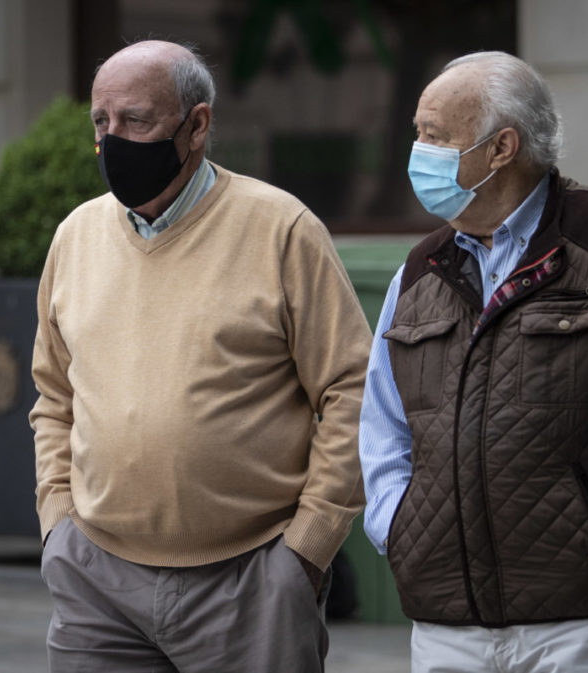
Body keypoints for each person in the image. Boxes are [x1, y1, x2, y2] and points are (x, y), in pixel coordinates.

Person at [359, 51, 588, 672]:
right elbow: (382, 421)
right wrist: (397, 526)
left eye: (435, 137)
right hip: (446, 615)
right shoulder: (421, 268)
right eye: (418, 133)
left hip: (584, 616)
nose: (418, 150)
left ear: (501, 148)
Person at [30, 40, 371, 672]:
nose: (113, 141)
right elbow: (54, 395)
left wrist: (306, 549)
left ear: (197, 125)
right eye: (101, 124)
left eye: (136, 120)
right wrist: (57, 521)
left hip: (250, 581)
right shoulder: (75, 235)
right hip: (96, 581)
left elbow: (352, 389)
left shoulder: (282, 229)